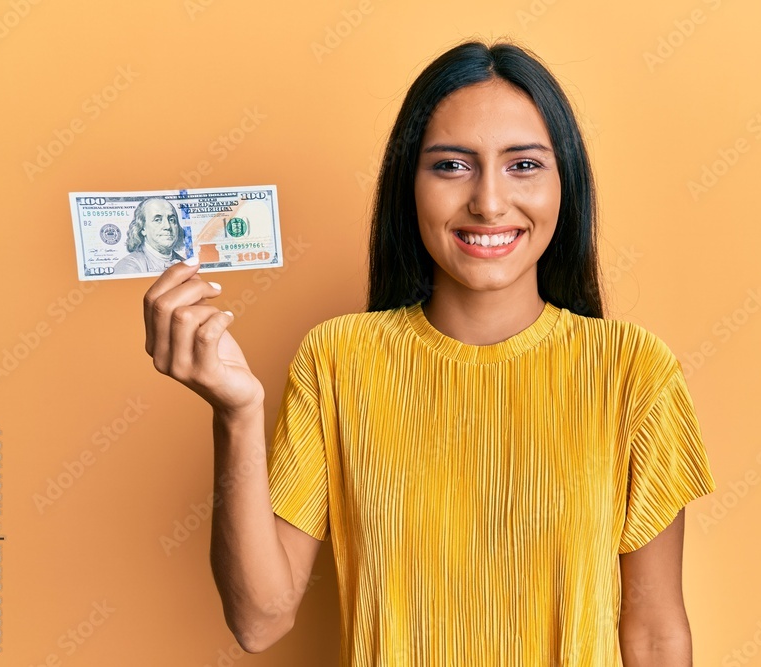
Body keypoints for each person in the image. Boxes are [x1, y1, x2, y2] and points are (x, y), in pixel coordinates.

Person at [142, 39, 716, 666]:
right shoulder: (336, 360)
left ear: (565, 184)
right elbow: (259, 619)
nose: (489, 201)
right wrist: (236, 413)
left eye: (523, 165)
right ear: (407, 186)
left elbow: (656, 633)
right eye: (451, 166)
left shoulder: (633, 371)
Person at [114, 197, 187, 274]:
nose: (167, 226)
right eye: (157, 220)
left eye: (172, 220)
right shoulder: (128, 266)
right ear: (142, 228)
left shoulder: (185, 263)